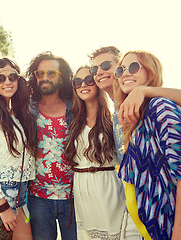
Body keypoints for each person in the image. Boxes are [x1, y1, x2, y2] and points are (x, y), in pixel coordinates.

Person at [114, 50, 181, 239]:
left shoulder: (161, 108)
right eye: (120, 69)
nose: (125, 73)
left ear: (151, 72)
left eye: (133, 67)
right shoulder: (138, 121)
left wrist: (144, 90)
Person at [89, 46, 181, 160]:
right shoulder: (115, 113)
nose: (98, 72)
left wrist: (143, 90)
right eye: (94, 69)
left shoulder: (156, 104)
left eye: (105, 66)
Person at [64, 66, 142, 240]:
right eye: (77, 82)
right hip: (82, 188)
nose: (83, 85)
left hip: (108, 186)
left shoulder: (112, 117)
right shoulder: (72, 120)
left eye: (88, 80)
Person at [0, 58, 38, 240]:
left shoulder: (18, 114)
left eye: (12, 77)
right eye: (0, 78)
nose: (7, 82)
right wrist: (2, 207)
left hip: (21, 194)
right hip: (3, 195)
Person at [26, 51, 77, 240]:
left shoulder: (76, 108)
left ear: (62, 78)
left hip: (73, 196)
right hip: (38, 197)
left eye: (51, 73)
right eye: (40, 74)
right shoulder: (27, 109)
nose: (44, 78)